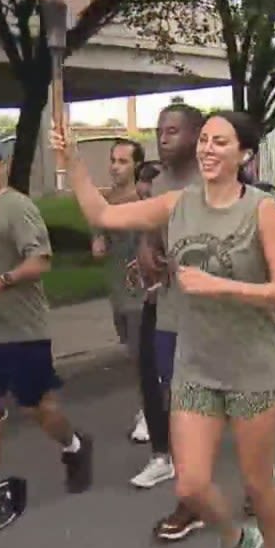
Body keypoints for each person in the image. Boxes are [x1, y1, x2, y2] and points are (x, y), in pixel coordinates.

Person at [52, 110, 275, 548]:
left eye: (220, 142)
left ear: (244, 154)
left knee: (257, 481)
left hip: (254, 365)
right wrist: (72, 162)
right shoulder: (179, 202)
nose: (208, 149)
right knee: (189, 486)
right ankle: (235, 539)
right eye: (204, 140)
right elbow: (103, 214)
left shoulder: (261, 209)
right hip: (197, 362)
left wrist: (219, 286)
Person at [0, 134, 93, 492]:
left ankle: (74, 445)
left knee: (38, 409)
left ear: (1, 165)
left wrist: (4, 279)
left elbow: (41, 260)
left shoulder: (17, 207)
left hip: (22, 330)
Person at [140, 103, 208, 541]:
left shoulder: (216, 182)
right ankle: (190, 501)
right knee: (179, 409)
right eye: (159, 131)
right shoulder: (159, 185)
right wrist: (146, 248)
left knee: (232, 408)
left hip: (218, 318)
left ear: (196, 135)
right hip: (170, 313)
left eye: (172, 131)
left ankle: (259, 484)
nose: (163, 139)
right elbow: (150, 230)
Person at [91, 139, 173, 487]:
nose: (115, 166)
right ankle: (158, 411)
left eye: (123, 161)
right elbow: (98, 244)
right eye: (113, 160)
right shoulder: (104, 203)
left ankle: (152, 416)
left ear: (136, 166)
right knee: (134, 355)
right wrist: (98, 240)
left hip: (146, 293)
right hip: (119, 293)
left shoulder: (148, 201)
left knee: (146, 359)